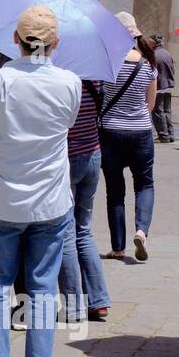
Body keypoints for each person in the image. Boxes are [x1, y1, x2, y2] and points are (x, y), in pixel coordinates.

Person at [0, 6, 80, 357]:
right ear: (56, 43)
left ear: (16, 39)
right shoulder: (69, 83)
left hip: (3, 198)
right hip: (50, 198)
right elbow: (66, 127)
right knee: (43, 286)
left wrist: (1, 145)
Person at [100, 13, 158, 262]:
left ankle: (118, 246)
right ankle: (141, 230)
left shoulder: (107, 64)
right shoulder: (148, 65)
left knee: (115, 191)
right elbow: (150, 105)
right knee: (145, 184)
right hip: (140, 132)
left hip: (110, 131)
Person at [59, 79, 111, 322]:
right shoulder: (96, 81)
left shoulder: (62, 83)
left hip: (67, 158)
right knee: (84, 230)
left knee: (66, 233)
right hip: (92, 153)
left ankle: (73, 306)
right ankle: (98, 301)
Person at [152, 36, 176, 142]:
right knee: (167, 111)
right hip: (168, 85)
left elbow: (151, 72)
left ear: (153, 43)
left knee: (158, 111)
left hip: (160, 86)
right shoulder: (167, 53)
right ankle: (170, 134)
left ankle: (163, 135)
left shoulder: (154, 55)